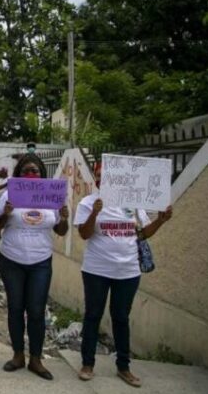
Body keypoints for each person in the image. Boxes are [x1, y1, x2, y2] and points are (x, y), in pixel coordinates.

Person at [73, 163, 173, 387]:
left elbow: (142, 234)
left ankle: (124, 367)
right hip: (96, 270)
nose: (101, 181)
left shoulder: (133, 202)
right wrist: (95, 213)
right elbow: (84, 234)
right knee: (93, 315)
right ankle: (87, 364)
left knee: (121, 317)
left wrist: (160, 220)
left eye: (105, 177)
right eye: (97, 177)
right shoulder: (88, 202)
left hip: (128, 271)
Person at [0, 153, 69, 380]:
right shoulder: (8, 195)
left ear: (42, 174)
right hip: (12, 260)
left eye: (35, 170)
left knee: (36, 311)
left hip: (40, 261)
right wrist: (5, 215)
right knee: (16, 307)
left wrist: (64, 218)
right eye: (26, 170)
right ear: (19, 174)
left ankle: (36, 359)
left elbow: (61, 231)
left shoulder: (51, 196)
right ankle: (18, 355)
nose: (31, 173)